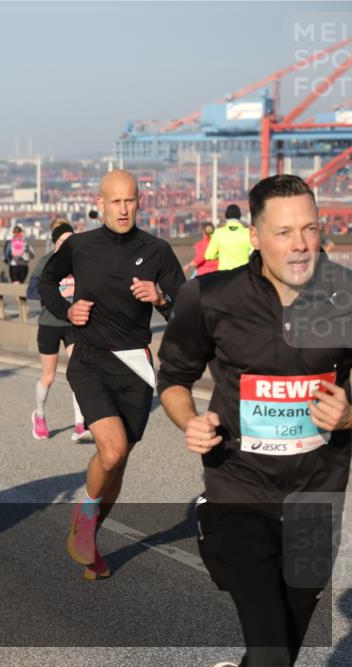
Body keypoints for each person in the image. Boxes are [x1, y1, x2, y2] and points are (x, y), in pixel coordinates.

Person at [157, 174, 352, 667]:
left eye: (309, 228)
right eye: (285, 232)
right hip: (238, 492)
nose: (301, 244)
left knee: (279, 652)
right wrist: (190, 422)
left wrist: (350, 413)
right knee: (270, 653)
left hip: (316, 496)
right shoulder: (210, 298)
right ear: (256, 237)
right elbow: (174, 379)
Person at [39, 170, 185, 580]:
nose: (123, 209)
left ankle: (89, 536)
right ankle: (85, 518)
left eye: (130, 201)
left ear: (139, 202)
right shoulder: (81, 246)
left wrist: (161, 298)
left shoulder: (157, 250)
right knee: (113, 450)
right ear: (99, 203)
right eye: (115, 202)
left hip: (135, 365)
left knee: (117, 464)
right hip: (89, 359)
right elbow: (46, 280)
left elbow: (186, 309)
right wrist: (66, 310)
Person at [27, 221, 91, 443]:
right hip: (49, 324)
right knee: (49, 376)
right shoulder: (46, 263)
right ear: (55, 243)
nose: (67, 245)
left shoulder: (79, 262)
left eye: (70, 240)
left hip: (73, 325)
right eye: (63, 241)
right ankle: (40, 416)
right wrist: (54, 297)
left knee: (78, 373)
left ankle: (80, 424)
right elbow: (32, 290)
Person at [206, 204, 252, 271]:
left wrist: (220, 254)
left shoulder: (218, 233)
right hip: (243, 273)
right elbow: (254, 253)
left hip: (224, 275)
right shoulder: (248, 233)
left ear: (226, 216)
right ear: (239, 216)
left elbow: (208, 256)